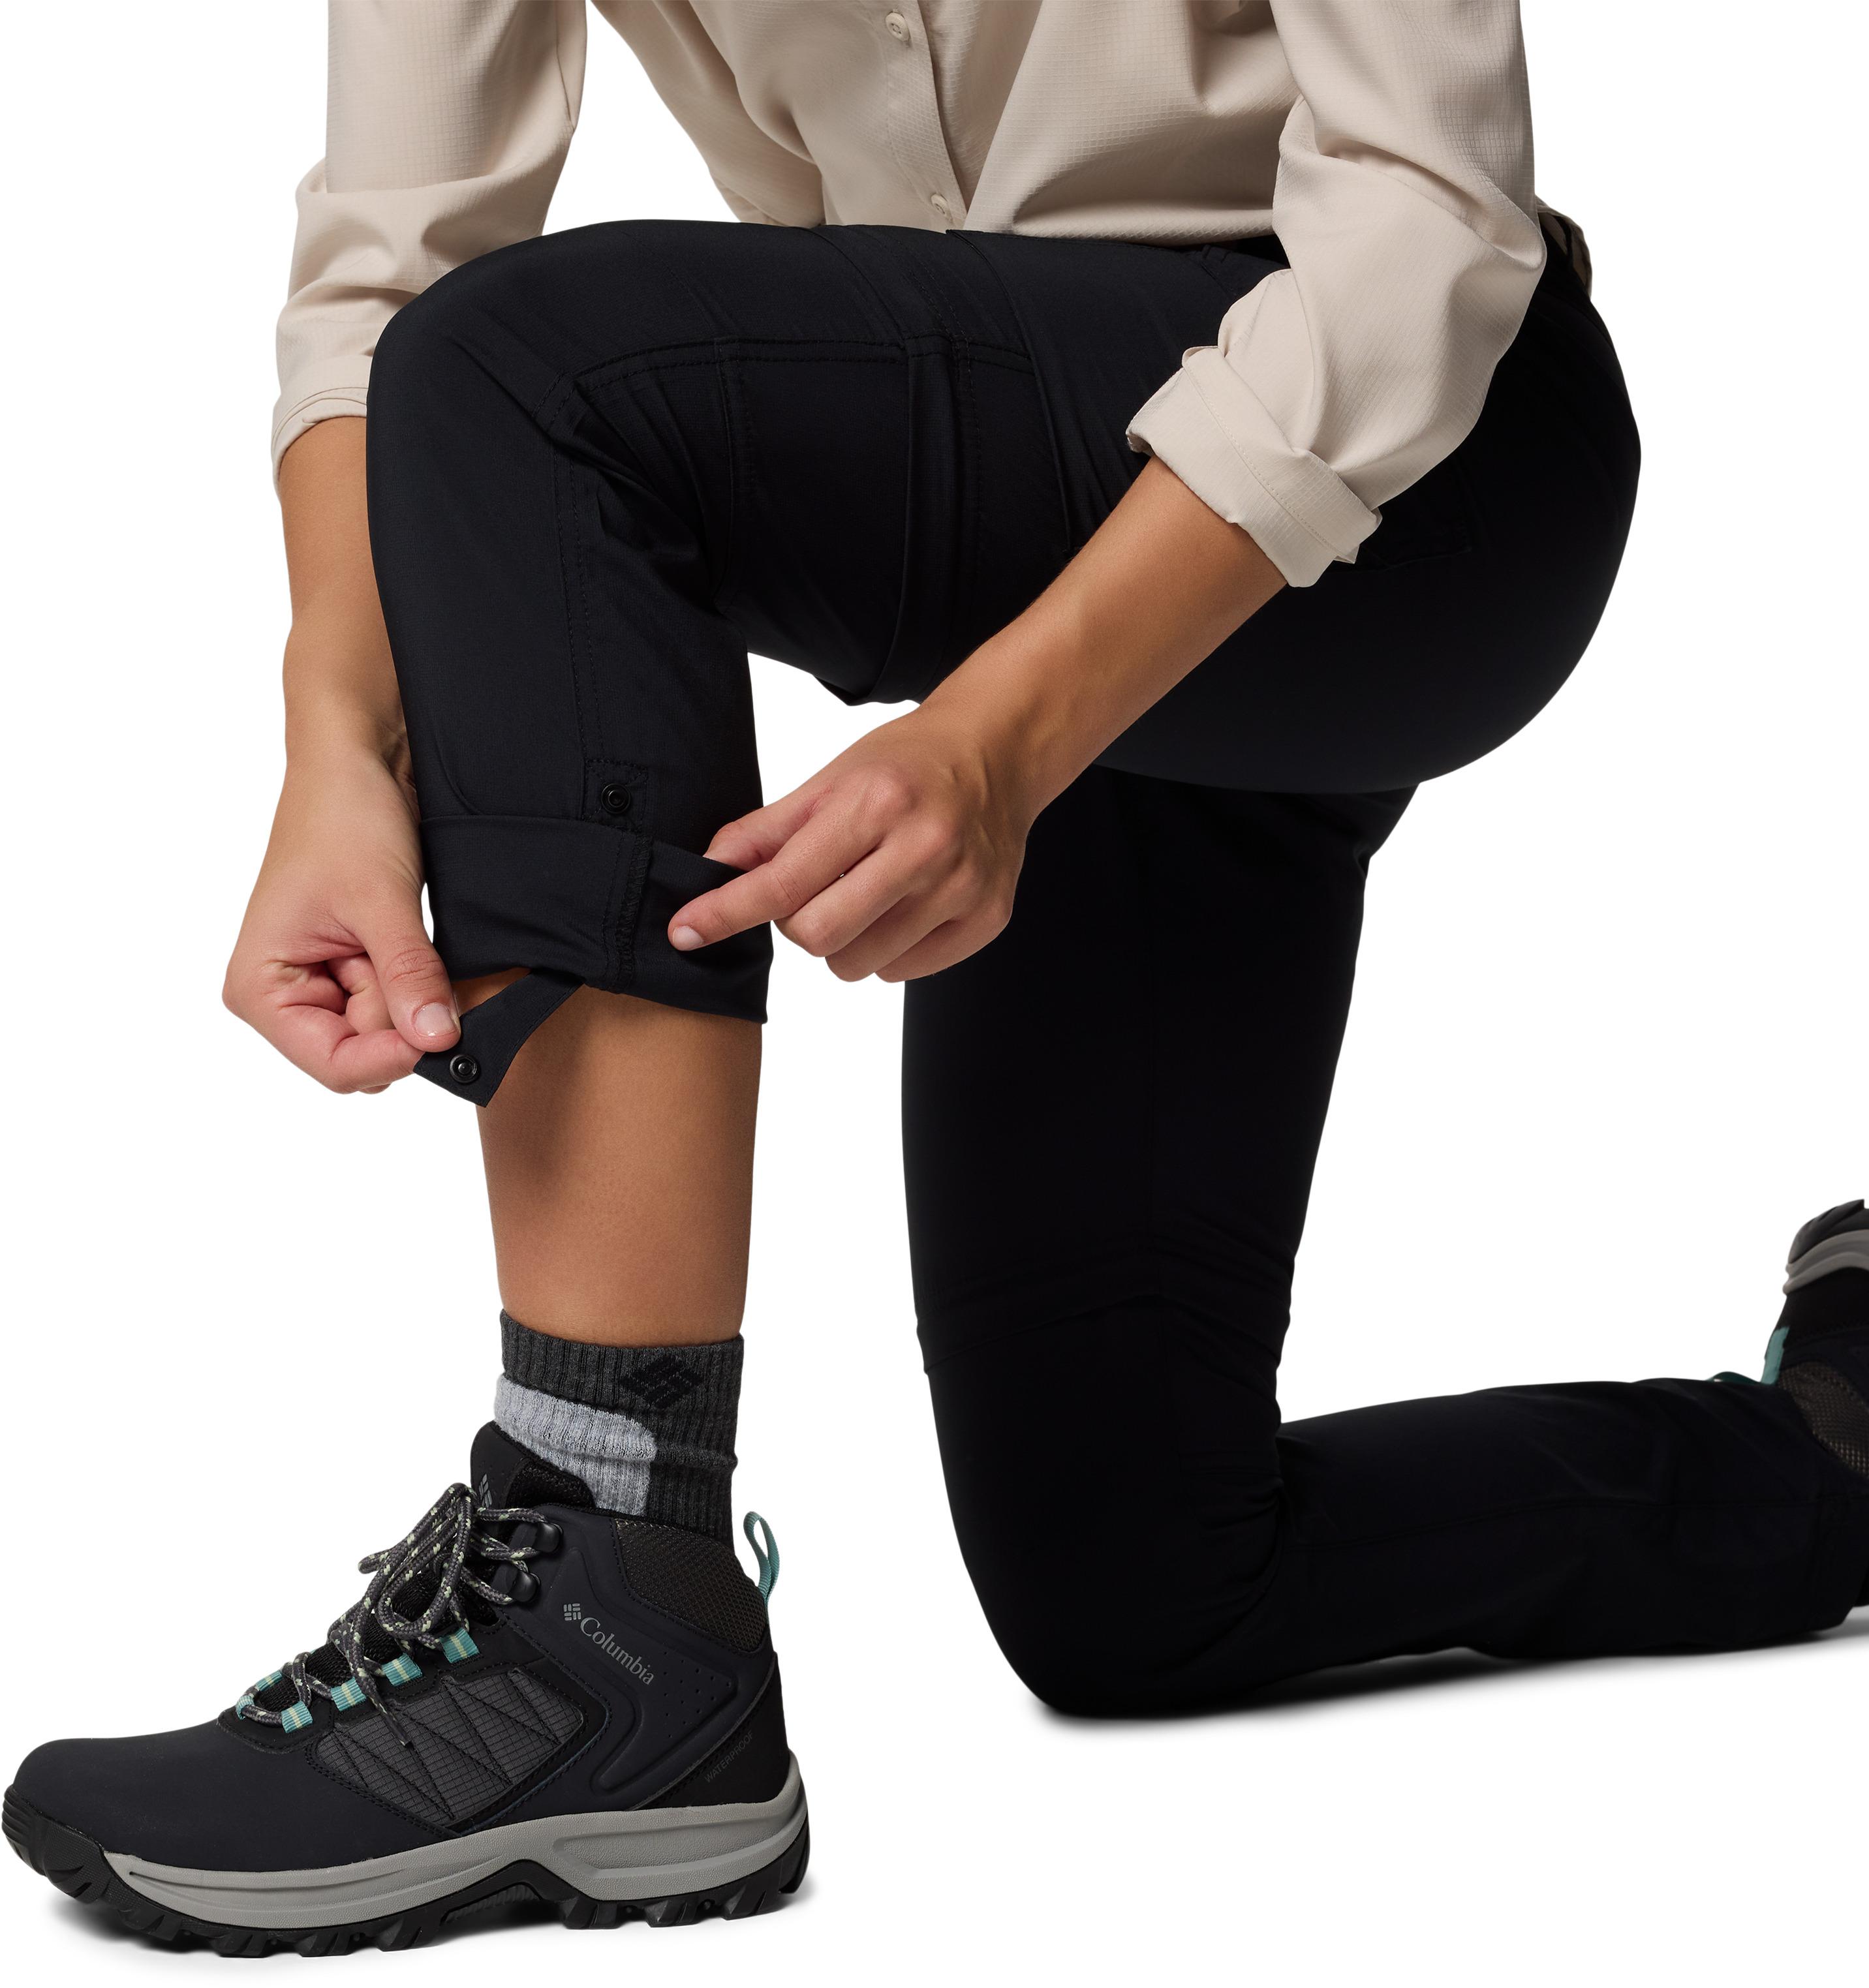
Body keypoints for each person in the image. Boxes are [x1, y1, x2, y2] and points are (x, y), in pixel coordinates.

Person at [7, 0, 1866, 1956]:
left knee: (546, 377)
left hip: (1419, 459)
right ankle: (1833, 1449)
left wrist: (1004, 734)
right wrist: (337, 740)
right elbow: (389, 263)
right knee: (1140, 1576)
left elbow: (1428, 214)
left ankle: (605, 1569)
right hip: (1005, 490)